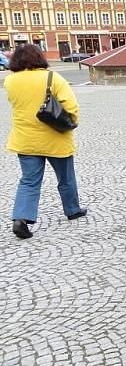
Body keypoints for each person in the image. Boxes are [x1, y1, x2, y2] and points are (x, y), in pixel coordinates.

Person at [4, 44, 86, 239]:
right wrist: (72, 122)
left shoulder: (10, 81)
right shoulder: (52, 78)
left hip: (26, 140)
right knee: (65, 177)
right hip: (55, 138)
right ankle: (72, 209)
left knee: (29, 181)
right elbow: (70, 106)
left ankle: (21, 219)